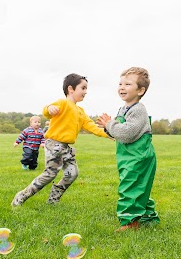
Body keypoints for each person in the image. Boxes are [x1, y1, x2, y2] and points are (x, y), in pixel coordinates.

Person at [11, 73, 110, 206]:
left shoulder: (80, 111)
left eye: (86, 89)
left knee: (72, 173)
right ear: (71, 89)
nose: (86, 92)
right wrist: (49, 109)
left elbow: (92, 127)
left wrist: (109, 133)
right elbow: (46, 111)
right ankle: (22, 196)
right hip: (54, 145)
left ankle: (53, 199)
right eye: (83, 88)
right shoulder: (63, 103)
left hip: (66, 147)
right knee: (50, 174)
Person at [97, 67, 159, 232]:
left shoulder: (138, 109)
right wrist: (107, 127)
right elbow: (117, 132)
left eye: (128, 84)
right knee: (139, 187)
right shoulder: (123, 108)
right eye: (120, 83)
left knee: (130, 187)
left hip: (138, 156)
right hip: (129, 156)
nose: (122, 87)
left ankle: (130, 222)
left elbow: (126, 133)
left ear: (140, 90)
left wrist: (110, 124)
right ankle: (148, 218)